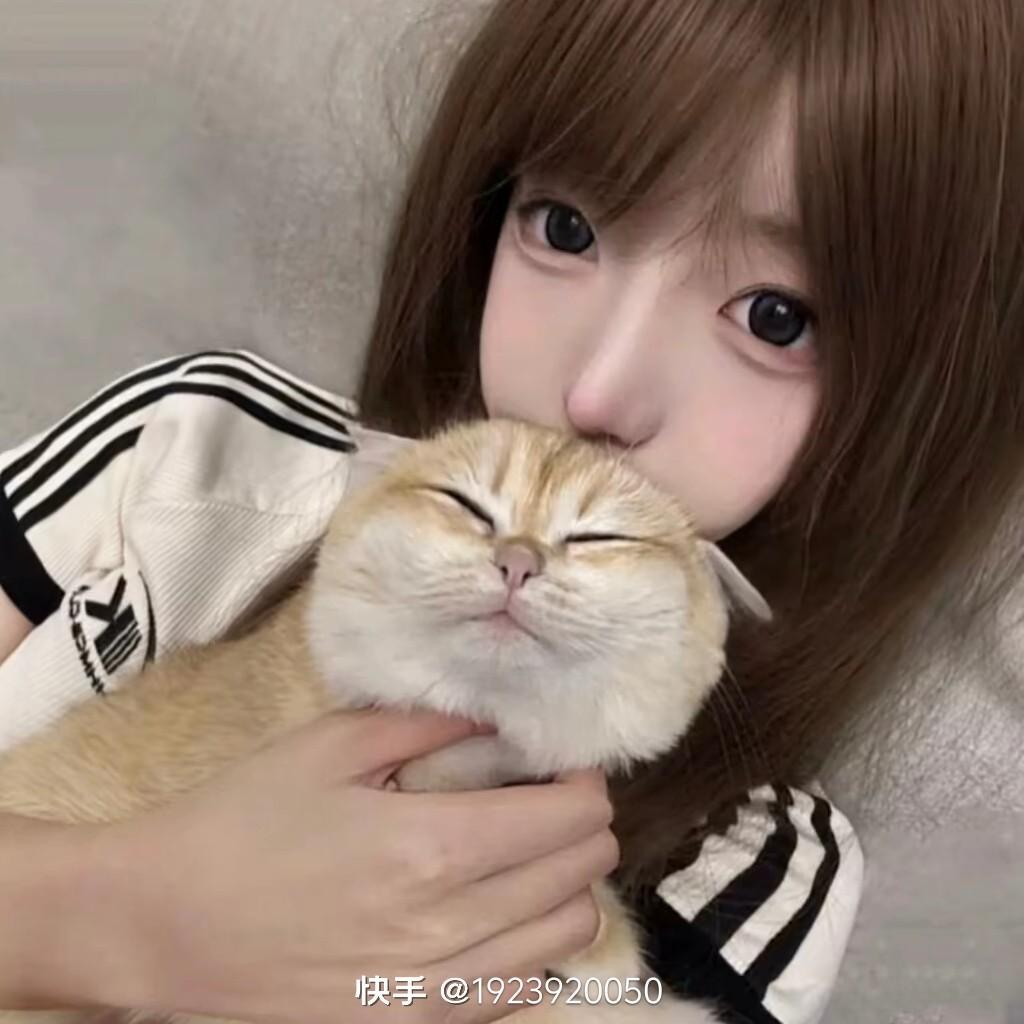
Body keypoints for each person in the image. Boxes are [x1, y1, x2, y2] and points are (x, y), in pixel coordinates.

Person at [1, 0, 1022, 1022]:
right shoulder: (190, 453)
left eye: (774, 317)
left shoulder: (752, 871)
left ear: (912, 404)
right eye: (565, 227)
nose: (600, 392)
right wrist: (132, 915)